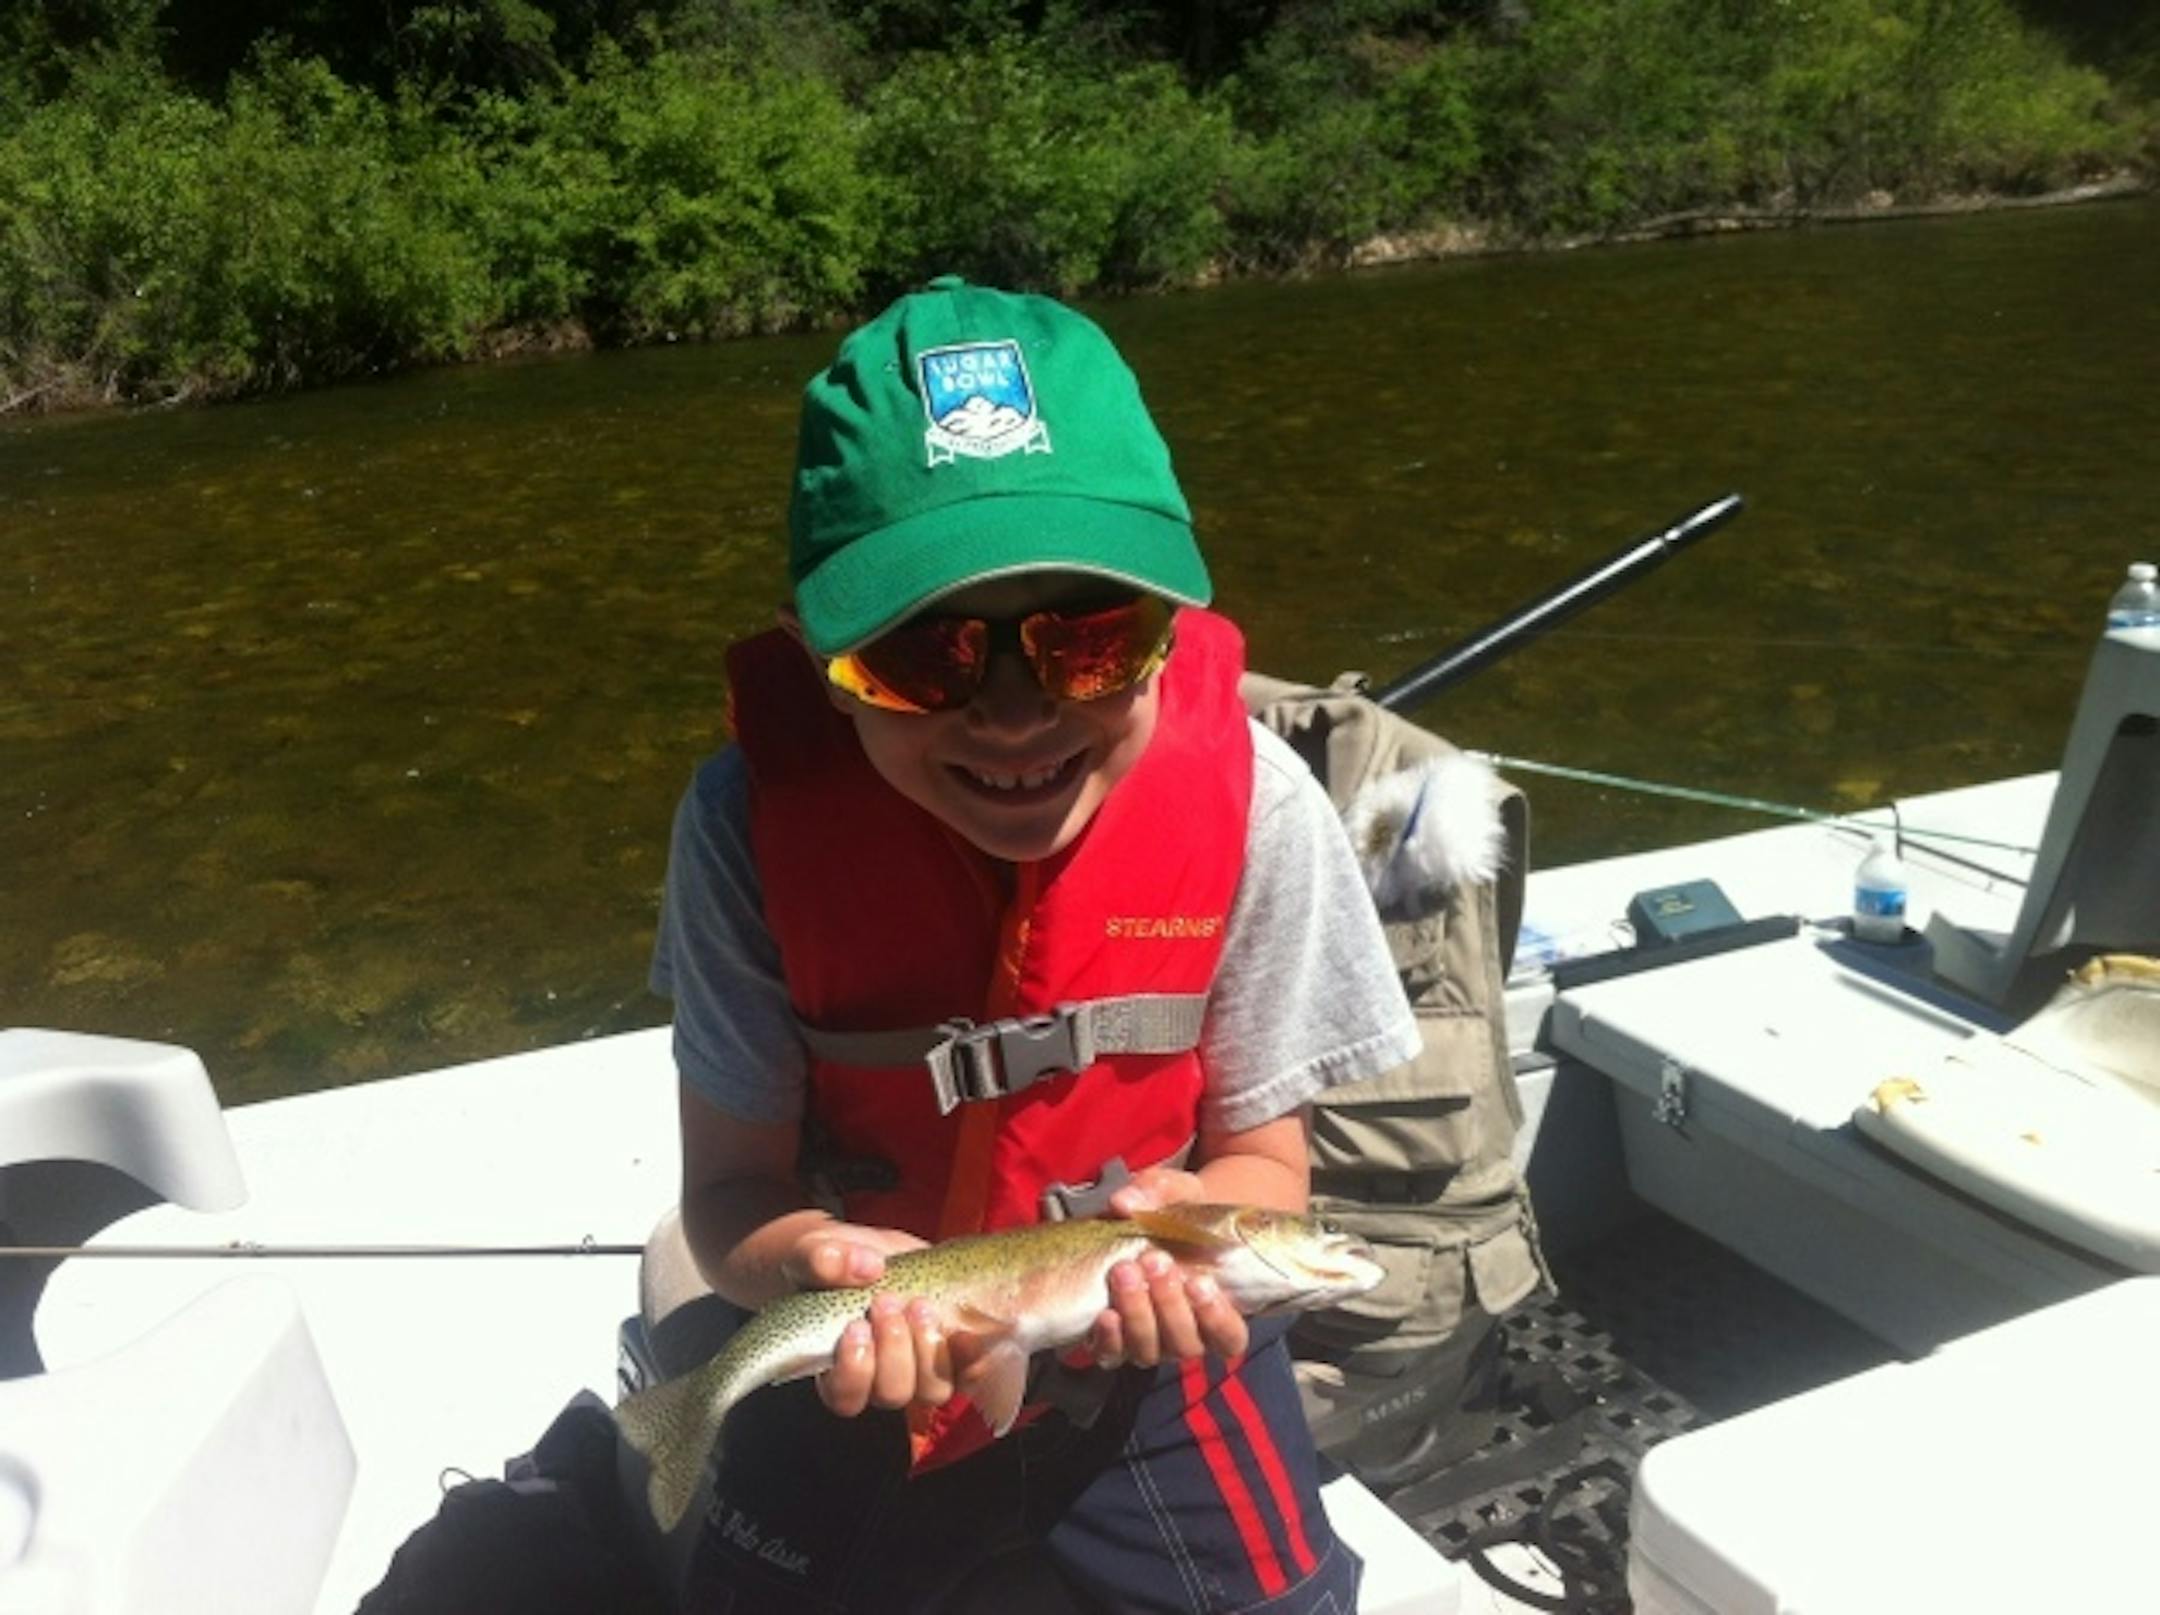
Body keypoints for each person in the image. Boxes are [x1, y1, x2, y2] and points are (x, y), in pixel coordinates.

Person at [646, 274, 1422, 1613]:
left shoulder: (1260, 807)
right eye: (919, 659)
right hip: (859, 1362)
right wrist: (813, 1264)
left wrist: (1208, 1245)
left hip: (1152, 1369)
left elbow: (1266, 1163)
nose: (1012, 717)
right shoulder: (741, 829)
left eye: (1086, 639)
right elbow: (727, 1207)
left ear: (1166, 635)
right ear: (815, 655)